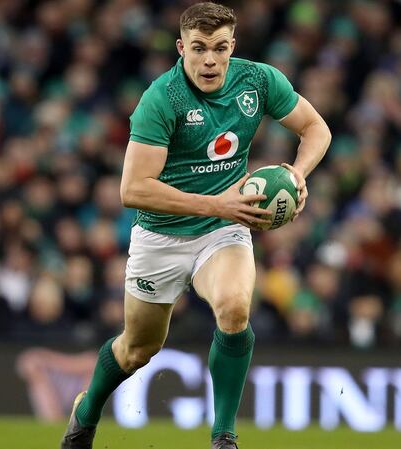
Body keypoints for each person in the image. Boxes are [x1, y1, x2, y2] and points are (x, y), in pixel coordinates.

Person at [60, 3, 331, 449]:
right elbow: (133, 190)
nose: (210, 60)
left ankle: (223, 436)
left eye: (220, 48)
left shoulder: (259, 80)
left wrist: (299, 173)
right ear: (182, 46)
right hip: (160, 235)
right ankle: (86, 412)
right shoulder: (161, 99)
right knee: (138, 349)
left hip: (223, 229)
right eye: (200, 48)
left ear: (233, 47)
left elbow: (316, 128)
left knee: (234, 307)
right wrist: (216, 204)